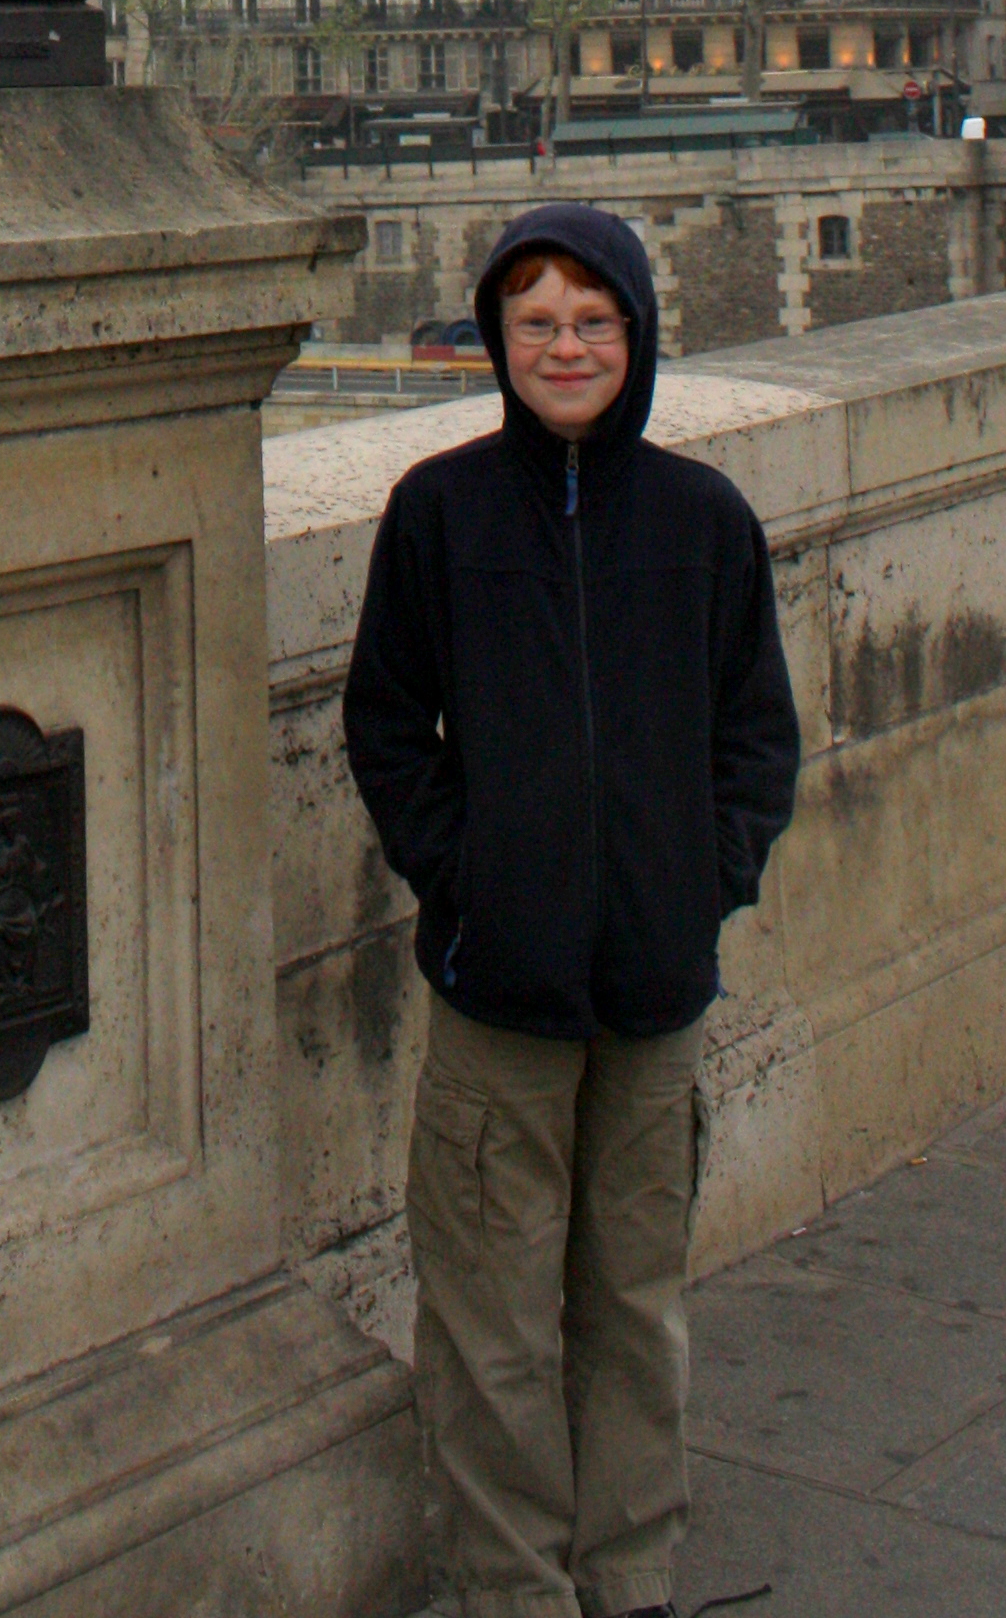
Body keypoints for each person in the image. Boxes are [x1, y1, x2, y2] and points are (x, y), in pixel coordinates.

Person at [343, 202, 799, 1618]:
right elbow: (386, 726)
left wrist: (704, 882)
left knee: (636, 1309)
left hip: (655, 989)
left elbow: (757, 739)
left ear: (637, 336)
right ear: (498, 340)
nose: (565, 348)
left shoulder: (705, 521)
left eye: (593, 322)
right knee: (490, 1329)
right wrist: (466, 879)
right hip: (502, 989)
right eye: (536, 322)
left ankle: (630, 1573)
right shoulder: (441, 512)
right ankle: (514, 1590)